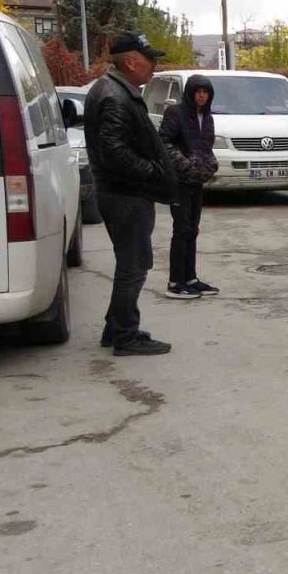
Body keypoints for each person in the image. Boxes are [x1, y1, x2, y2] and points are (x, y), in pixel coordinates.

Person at [83, 33, 177, 356]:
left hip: (124, 193)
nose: (154, 65)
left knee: (131, 262)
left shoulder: (116, 90)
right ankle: (126, 334)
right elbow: (114, 152)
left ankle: (115, 326)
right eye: (149, 59)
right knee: (134, 265)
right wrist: (154, 173)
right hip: (125, 195)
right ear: (131, 61)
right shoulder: (114, 95)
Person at [159, 75, 220, 299]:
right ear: (190, 92)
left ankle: (191, 278)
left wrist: (210, 164)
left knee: (193, 229)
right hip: (179, 181)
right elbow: (164, 142)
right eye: (198, 91)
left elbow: (206, 146)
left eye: (206, 92)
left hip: (196, 181)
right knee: (181, 229)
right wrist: (184, 164)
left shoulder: (207, 116)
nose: (202, 95)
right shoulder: (176, 113)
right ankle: (175, 282)